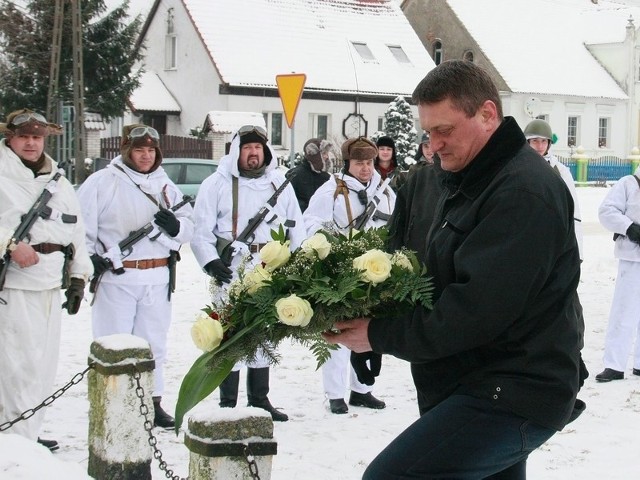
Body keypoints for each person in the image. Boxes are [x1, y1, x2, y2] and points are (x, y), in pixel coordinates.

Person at [323, 60, 585, 479]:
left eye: (444, 130)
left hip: (513, 389)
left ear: (487, 114)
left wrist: (378, 334)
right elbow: (404, 267)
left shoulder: (523, 191)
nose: (435, 144)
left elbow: (473, 312)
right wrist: (367, 314)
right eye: (428, 133)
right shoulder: (439, 180)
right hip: (458, 382)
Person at [76, 124, 194, 430]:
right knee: (114, 343)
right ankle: (111, 403)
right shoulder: (102, 182)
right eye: (139, 150)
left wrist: (175, 228)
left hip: (156, 276)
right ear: (127, 151)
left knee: (154, 343)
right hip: (118, 277)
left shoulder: (165, 185)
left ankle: (152, 402)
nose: (145, 156)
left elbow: (190, 227)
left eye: (151, 150)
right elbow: (82, 227)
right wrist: (91, 259)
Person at [191, 124, 306, 422]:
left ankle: (259, 399)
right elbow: (200, 230)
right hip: (231, 267)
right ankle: (227, 401)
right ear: (236, 151)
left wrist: (296, 263)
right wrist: (210, 261)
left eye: (258, 148)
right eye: (247, 148)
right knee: (228, 332)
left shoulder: (278, 183)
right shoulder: (215, 184)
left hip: (269, 265)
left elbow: (296, 224)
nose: (253, 153)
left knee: (262, 332)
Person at [0, 109, 92, 451]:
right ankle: (15, 444)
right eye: (24, 136)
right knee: (16, 368)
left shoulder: (59, 180)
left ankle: (26, 434)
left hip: (51, 285)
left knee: (41, 369)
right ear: (11, 138)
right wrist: (9, 244)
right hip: (15, 287)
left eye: (36, 137)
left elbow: (76, 231)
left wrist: (79, 276)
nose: (30, 143)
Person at [304, 136, 395, 415]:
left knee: (368, 332)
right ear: (348, 164)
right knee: (339, 333)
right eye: (359, 163)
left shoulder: (385, 191)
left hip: (375, 272)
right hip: (340, 272)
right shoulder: (331, 190)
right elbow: (310, 223)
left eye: (369, 162)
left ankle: (362, 390)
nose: (366, 168)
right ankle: (334, 394)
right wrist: (329, 241)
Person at [595, 165, 640, 382]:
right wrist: (629, 227)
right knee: (624, 311)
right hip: (632, 258)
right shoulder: (628, 183)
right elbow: (606, 211)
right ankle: (614, 364)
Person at [524, 118, 584, 260]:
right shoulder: (517, 167)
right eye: (535, 141)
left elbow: (573, 210)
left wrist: (578, 253)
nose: (540, 146)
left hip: (552, 236)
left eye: (544, 141)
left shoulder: (560, 171)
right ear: (527, 142)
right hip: (526, 234)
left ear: (549, 143)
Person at [287, 138, 336, 212]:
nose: (326, 156)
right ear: (314, 155)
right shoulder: (295, 175)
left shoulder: (327, 178)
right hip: (300, 220)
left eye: (327, 153)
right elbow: (286, 202)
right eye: (323, 153)